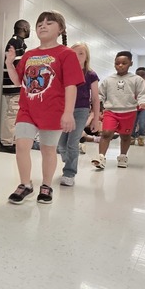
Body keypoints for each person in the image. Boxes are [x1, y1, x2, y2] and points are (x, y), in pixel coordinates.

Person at [5, 11, 84, 204]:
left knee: (48, 150)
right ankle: (25, 184)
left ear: (61, 29)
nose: (43, 25)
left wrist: (68, 113)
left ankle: (46, 185)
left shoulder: (66, 54)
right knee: (22, 145)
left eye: (49, 23)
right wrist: (9, 62)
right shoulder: (30, 54)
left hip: (53, 110)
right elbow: (18, 81)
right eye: (40, 22)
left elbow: (70, 85)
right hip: (27, 109)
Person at [92, 51, 145, 170]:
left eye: (124, 63)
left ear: (130, 64)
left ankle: (123, 156)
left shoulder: (136, 79)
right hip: (111, 110)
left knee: (125, 135)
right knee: (106, 133)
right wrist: (96, 102)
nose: (120, 65)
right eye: (117, 63)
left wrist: (142, 102)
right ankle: (101, 158)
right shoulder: (108, 79)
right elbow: (101, 94)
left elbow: (142, 94)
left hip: (129, 111)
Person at [56, 42, 99, 187]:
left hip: (81, 110)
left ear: (86, 57)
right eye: (73, 53)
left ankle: (69, 173)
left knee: (72, 142)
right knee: (61, 144)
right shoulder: (65, 72)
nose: (77, 56)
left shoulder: (91, 74)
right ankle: (69, 159)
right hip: (64, 110)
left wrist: (96, 118)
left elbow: (95, 98)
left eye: (81, 53)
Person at [0, 20, 30, 153]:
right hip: (13, 85)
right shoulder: (16, 42)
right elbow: (19, 65)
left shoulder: (18, 42)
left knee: (14, 113)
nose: (29, 30)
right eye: (28, 28)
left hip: (13, 84)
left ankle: (11, 140)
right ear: (23, 28)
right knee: (12, 113)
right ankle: (6, 143)